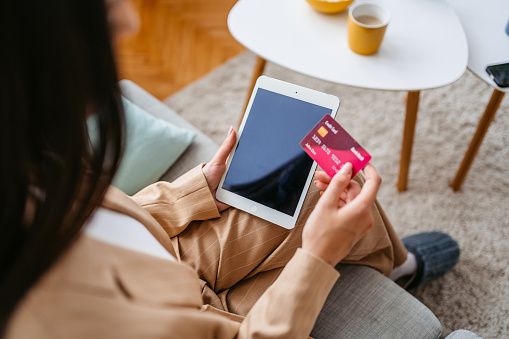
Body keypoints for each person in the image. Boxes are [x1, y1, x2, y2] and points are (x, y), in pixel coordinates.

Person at [0, 0, 461, 338]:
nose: (128, 20)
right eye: (99, 16)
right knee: (332, 212)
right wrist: (318, 256)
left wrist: (196, 188)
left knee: (319, 185)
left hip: (172, 259)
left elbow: (110, 217)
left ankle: (397, 265)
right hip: (204, 321)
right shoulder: (50, 319)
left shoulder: (27, 154)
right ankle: (398, 265)